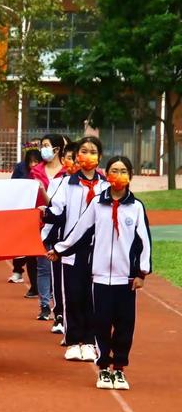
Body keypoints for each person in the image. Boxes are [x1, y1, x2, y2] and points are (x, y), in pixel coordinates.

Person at [48, 156, 151, 390]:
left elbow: (144, 242)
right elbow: (79, 231)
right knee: (101, 324)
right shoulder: (97, 203)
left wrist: (141, 273)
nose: (118, 175)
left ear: (130, 176)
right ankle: (104, 368)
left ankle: (120, 369)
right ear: (108, 174)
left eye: (123, 170)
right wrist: (58, 249)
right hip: (101, 277)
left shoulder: (135, 207)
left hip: (126, 279)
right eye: (114, 170)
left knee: (125, 325)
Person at [43, 136, 109, 361]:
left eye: (92, 152)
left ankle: (90, 341)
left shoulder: (106, 186)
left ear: (99, 157)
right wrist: (44, 212)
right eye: (83, 151)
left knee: (93, 296)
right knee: (72, 294)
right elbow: (58, 213)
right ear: (77, 155)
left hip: (97, 250)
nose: (87, 156)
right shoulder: (66, 184)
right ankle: (73, 340)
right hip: (70, 249)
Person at [42, 142, 79, 334]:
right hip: (60, 239)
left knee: (78, 280)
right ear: (63, 159)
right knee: (59, 278)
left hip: (82, 241)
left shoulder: (95, 184)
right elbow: (54, 212)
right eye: (69, 157)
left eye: (76, 157)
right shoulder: (58, 183)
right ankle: (59, 315)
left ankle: (77, 317)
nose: (73, 161)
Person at [29, 134, 66, 321]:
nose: (42, 149)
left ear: (57, 149)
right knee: (43, 267)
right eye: (42, 145)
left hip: (61, 226)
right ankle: (44, 304)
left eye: (46, 145)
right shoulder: (36, 171)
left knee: (60, 268)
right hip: (40, 224)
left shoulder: (68, 172)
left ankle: (60, 306)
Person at [8, 147, 42, 299]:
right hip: (28, 217)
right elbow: (13, 188)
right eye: (31, 162)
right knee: (30, 254)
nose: (33, 165)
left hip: (44, 217)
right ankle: (34, 286)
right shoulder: (21, 170)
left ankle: (45, 287)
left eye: (36, 162)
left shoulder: (46, 175)